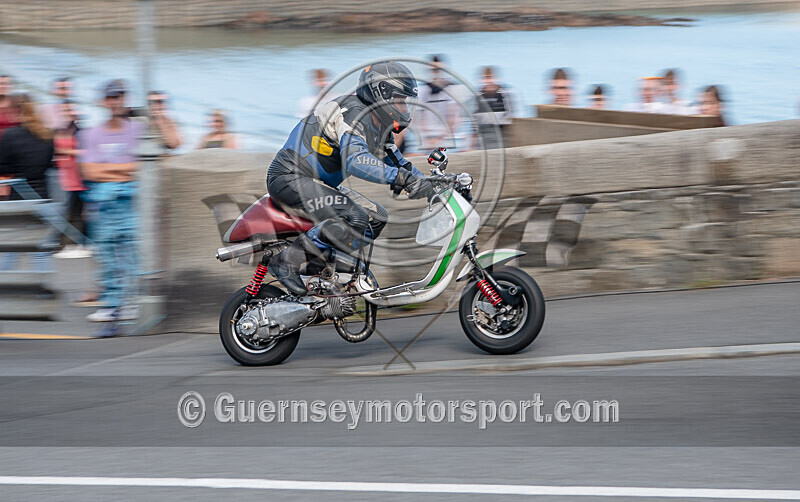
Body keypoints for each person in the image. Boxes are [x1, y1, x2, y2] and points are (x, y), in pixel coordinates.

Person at [265, 61, 433, 295]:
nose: (404, 107)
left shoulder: (379, 125)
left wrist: (432, 186)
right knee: (354, 216)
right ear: (380, 94)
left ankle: (318, 265)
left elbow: (399, 163)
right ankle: (286, 261)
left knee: (376, 217)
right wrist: (400, 178)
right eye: (400, 99)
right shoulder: (353, 112)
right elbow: (356, 160)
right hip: (289, 177)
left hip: (318, 184)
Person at [77, 79, 145, 322]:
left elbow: (141, 167)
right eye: (111, 97)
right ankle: (110, 304)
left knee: (132, 255)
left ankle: (131, 303)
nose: (116, 101)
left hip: (131, 203)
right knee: (107, 256)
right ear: (104, 101)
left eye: (120, 96)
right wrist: (124, 170)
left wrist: (109, 169)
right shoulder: (92, 134)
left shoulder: (137, 130)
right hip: (104, 205)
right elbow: (89, 172)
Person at [0, 94, 56, 272]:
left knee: (12, 247)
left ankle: (5, 284)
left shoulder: (11, 135)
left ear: (15, 110)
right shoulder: (47, 134)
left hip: (19, 198)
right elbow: (48, 164)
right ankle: (42, 286)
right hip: (43, 197)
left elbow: (2, 167)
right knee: (40, 247)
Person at [53, 99, 92, 259]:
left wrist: (66, 151)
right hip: (61, 176)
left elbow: (88, 152)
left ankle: (81, 243)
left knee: (79, 212)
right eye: (63, 111)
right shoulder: (55, 131)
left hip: (77, 176)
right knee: (64, 211)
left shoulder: (81, 132)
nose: (66, 114)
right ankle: (65, 243)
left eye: (69, 111)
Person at [409, 54, 464, 151]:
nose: (437, 74)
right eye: (433, 71)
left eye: (439, 70)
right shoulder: (423, 90)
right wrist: (427, 138)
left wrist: (442, 138)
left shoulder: (452, 89)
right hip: (427, 137)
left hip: (448, 136)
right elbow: (416, 118)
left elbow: (454, 118)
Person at [474, 66, 515, 149]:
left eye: (490, 78)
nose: (488, 81)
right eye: (485, 78)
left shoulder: (504, 93)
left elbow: (511, 114)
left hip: (501, 132)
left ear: (496, 78)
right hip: (484, 133)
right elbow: (474, 118)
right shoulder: (478, 95)